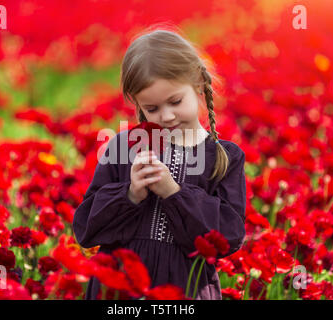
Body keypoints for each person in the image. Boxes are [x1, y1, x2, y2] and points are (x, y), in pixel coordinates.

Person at [73, 27, 246, 300]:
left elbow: (229, 236)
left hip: (184, 290)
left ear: (199, 85)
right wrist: (130, 194)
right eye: (151, 109)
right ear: (137, 103)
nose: (166, 116)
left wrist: (174, 194)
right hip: (120, 287)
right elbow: (86, 229)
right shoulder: (122, 147)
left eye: (175, 101)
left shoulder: (224, 157)